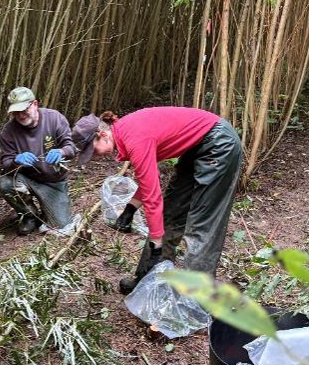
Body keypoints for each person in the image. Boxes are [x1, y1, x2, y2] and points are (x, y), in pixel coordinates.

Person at [71, 107, 242, 294]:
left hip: (218, 142)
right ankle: (148, 279)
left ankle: (197, 297)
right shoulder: (126, 135)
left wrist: (156, 244)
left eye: (93, 150)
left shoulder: (135, 139)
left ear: (103, 135)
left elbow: (153, 197)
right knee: (171, 212)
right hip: (196, 146)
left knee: (203, 222)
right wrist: (131, 208)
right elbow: (148, 179)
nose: (95, 156)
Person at [0, 86, 77, 234]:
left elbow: (71, 148)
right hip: (27, 178)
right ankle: (29, 215)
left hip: (54, 182)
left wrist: (61, 152)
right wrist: (16, 160)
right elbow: (6, 164)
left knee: (61, 225)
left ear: (35, 104)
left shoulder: (54, 118)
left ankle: (49, 207)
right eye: (16, 112)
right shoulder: (8, 131)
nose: (20, 115)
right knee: (5, 184)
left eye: (24, 110)